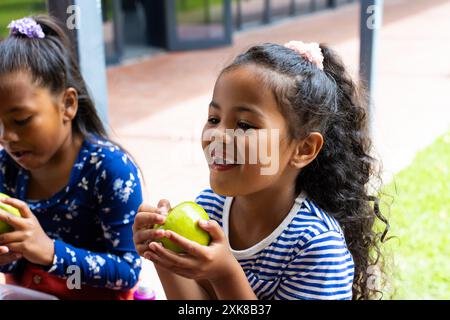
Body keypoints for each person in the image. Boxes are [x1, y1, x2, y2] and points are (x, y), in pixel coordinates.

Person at [133, 41, 389, 300]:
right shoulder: (210, 209)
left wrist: (226, 275)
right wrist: (163, 254)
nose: (218, 136)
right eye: (214, 119)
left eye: (244, 125)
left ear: (304, 148)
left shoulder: (315, 245)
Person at [0, 16, 143, 300]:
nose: (7, 136)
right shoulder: (6, 166)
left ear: (67, 104)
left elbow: (128, 270)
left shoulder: (109, 170)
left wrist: (51, 251)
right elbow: (14, 260)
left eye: (22, 120)